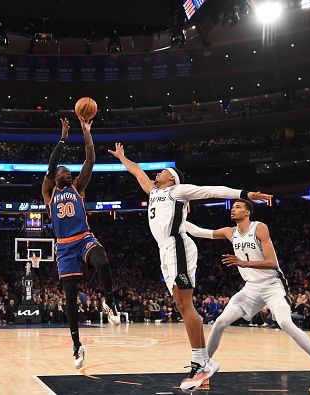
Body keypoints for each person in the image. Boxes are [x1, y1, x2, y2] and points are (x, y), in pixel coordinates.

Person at [108, 143, 271, 390]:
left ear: (171, 179)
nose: (158, 173)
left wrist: (244, 194)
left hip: (178, 247)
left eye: (163, 171)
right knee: (180, 304)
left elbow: (212, 191)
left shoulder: (178, 191)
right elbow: (137, 172)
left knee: (186, 305)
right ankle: (203, 364)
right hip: (166, 250)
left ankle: (200, 364)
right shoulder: (154, 191)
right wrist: (122, 157)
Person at [185, 199, 310, 395]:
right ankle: (203, 370)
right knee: (220, 322)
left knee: (286, 323)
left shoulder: (259, 228)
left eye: (238, 207)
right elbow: (197, 231)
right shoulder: (230, 232)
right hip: (251, 289)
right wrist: (176, 217)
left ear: (247, 212)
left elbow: (271, 262)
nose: (233, 209)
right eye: (233, 207)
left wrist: (243, 264)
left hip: (272, 286)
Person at [42, 118, 120, 369]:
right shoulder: (49, 191)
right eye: (64, 171)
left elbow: (90, 160)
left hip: (83, 238)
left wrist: (87, 133)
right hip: (64, 246)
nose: (68, 173)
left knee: (102, 260)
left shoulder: (78, 187)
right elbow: (52, 164)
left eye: (68, 172)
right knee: (70, 299)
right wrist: (63, 138)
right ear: (56, 177)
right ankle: (77, 346)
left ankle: (110, 300)